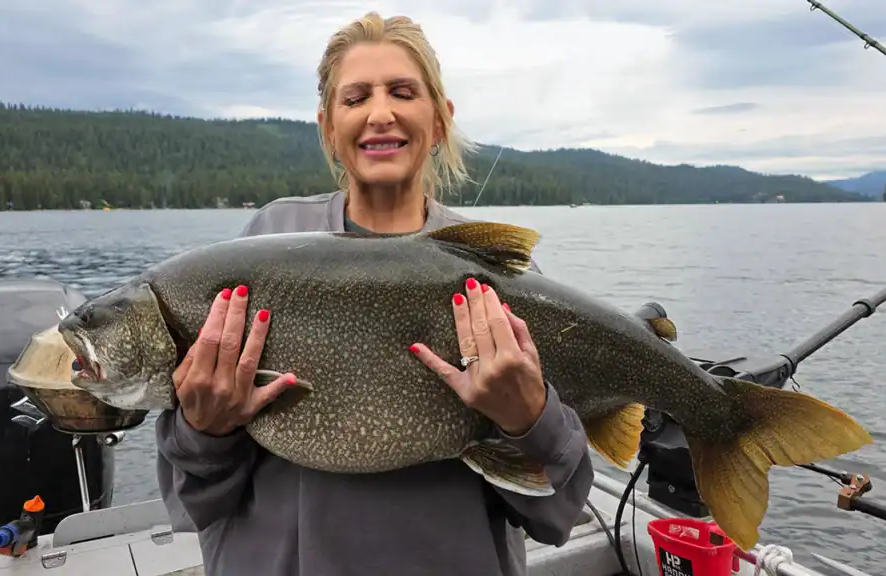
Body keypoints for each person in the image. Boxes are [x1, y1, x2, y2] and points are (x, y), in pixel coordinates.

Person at [155, 12, 595, 576]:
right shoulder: (266, 245)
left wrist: (528, 418)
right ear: (328, 129)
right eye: (356, 97)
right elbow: (193, 503)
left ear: (439, 120)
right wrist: (203, 430)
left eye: (403, 92)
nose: (380, 113)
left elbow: (557, 513)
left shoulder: (498, 276)